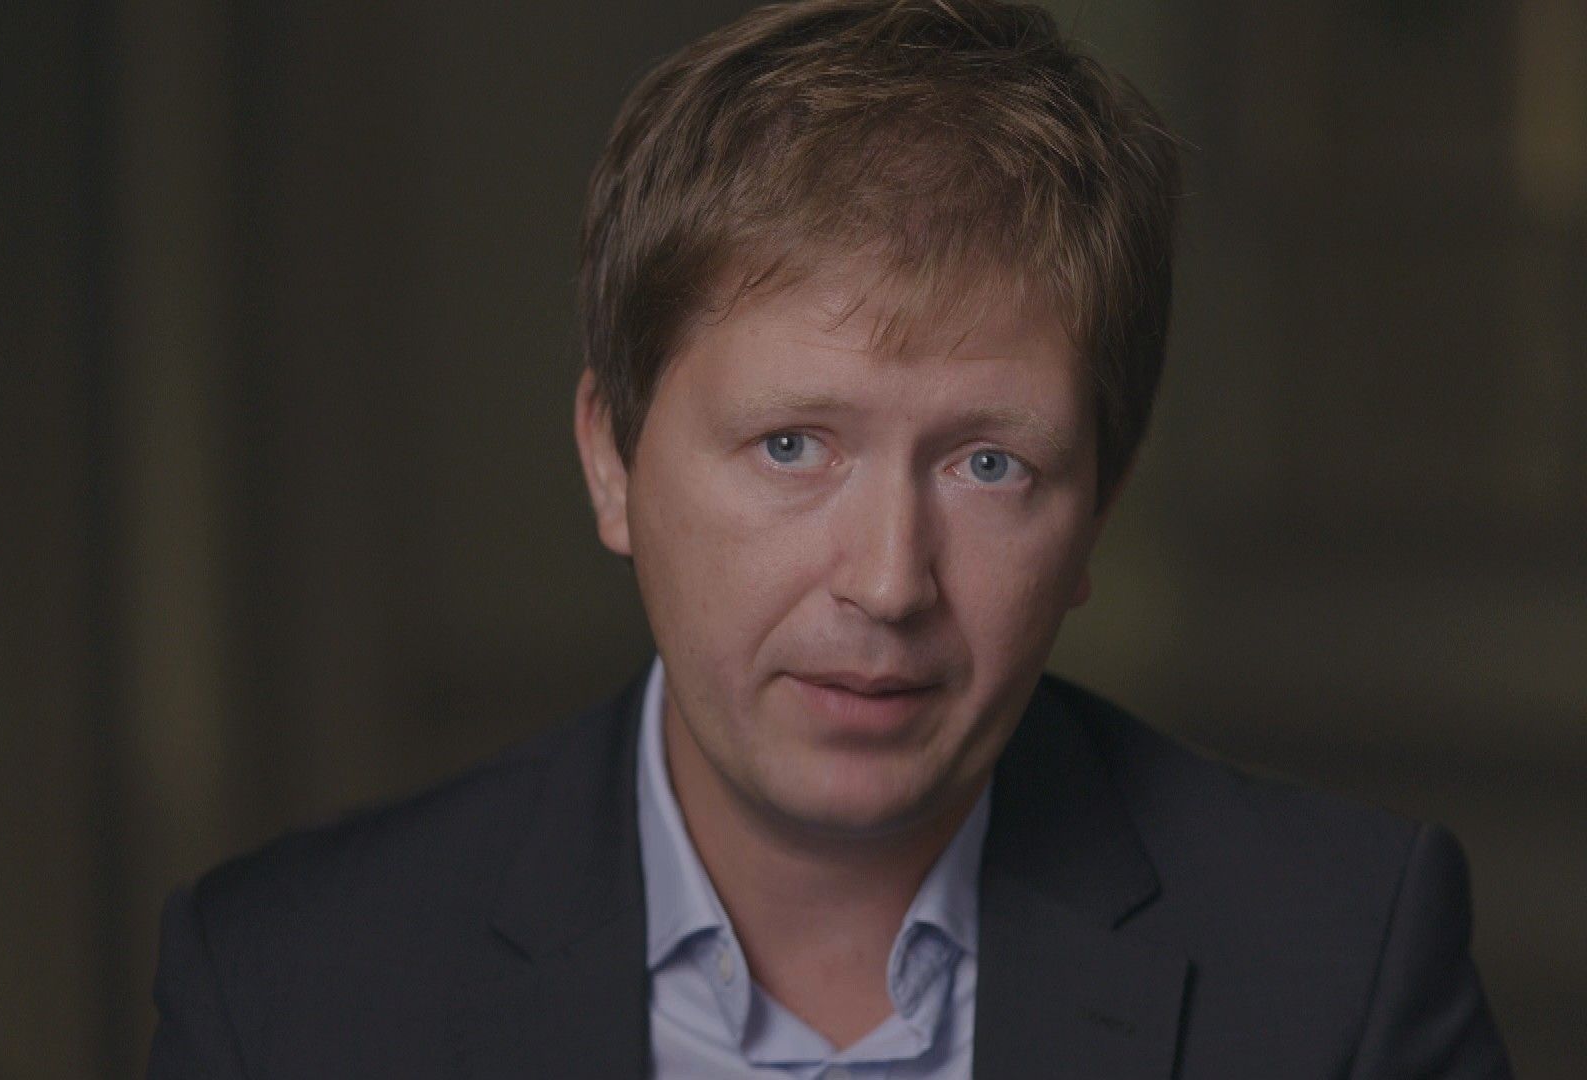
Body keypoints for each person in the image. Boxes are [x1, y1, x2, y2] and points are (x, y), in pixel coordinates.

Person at [146, 1, 1513, 1076]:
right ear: (611, 460)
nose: (888, 581)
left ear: (1098, 508)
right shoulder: (290, 990)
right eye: (793, 446)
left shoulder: (1341, 971)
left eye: (989, 465)